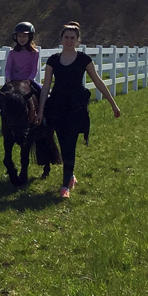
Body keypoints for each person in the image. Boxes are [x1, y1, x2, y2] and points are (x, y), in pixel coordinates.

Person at [36, 21, 121, 198]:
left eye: (72, 38)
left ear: (77, 40)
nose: (69, 40)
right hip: (57, 107)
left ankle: (65, 186)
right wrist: (41, 109)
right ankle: (70, 176)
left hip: (76, 108)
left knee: (70, 145)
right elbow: (45, 86)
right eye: (66, 37)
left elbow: (98, 81)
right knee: (63, 142)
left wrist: (113, 104)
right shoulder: (53, 60)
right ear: (61, 39)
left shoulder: (84, 60)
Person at [0, 21, 41, 138]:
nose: (22, 39)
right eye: (19, 36)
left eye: (24, 36)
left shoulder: (34, 53)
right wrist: (8, 78)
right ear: (15, 37)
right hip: (13, 82)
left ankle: (45, 122)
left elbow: (34, 69)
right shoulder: (12, 52)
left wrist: (30, 80)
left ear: (30, 37)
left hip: (28, 81)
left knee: (44, 93)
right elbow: (8, 67)